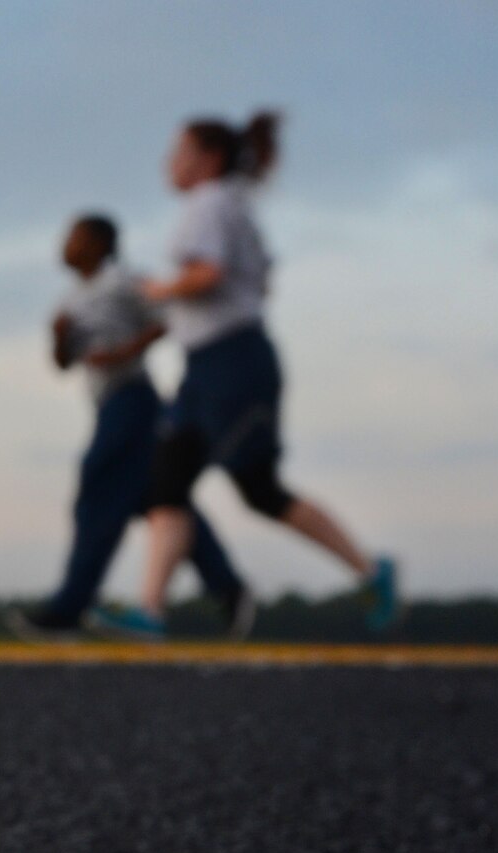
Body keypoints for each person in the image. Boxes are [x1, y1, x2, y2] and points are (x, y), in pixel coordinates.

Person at [90, 112, 400, 641]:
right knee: (164, 483)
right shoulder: (235, 206)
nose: (169, 164)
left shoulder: (209, 204)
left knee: (258, 490)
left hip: (232, 365)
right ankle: (150, 611)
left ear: (207, 159)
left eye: (178, 153)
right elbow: (261, 281)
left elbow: (208, 273)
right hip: (206, 367)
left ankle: (372, 573)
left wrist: (158, 291)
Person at [8, 214, 254, 641]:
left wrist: (126, 350)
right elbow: (65, 364)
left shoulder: (122, 282)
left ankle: (70, 605)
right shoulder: (70, 299)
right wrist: (58, 338)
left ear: (100, 243)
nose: (65, 245)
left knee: (98, 485)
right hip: (107, 405)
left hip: (134, 400)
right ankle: (229, 587)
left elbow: (169, 317)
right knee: (162, 499)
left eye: (75, 237)